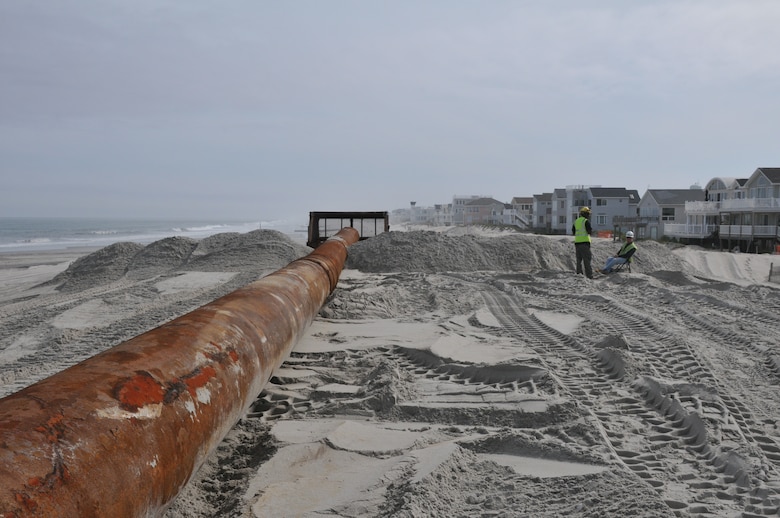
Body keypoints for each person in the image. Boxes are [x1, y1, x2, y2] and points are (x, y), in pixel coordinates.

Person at [572, 206, 593, 279]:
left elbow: (573, 232)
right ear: (586, 214)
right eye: (588, 214)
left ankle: (579, 274)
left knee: (579, 260)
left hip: (577, 243)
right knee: (587, 260)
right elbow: (589, 231)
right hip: (585, 243)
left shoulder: (576, 221)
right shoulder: (586, 221)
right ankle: (589, 276)